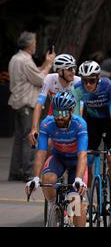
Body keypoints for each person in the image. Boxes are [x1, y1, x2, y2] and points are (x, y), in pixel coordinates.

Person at [25, 92, 88, 227]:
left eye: (64, 113)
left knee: (75, 202)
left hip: (76, 161)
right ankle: (55, 209)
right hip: (58, 157)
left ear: (71, 111)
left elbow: (83, 154)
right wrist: (35, 178)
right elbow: (41, 153)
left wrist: (78, 180)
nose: (59, 117)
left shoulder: (80, 124)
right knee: (47, 179)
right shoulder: (47, 124)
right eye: (56, 113)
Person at [72, 61, 111, 213]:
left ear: (98, 78)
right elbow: (76, 116)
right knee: (85, 158)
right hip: (92, 122)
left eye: (91, 80)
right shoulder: (77, 89)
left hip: (109, 122)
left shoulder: (108, 86)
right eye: (84, 80)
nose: (87, 84)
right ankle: (87, 197)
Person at [8, 31, 55, 181]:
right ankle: (28, 172)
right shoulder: (25, 60)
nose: (36, 45)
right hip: (27, 103)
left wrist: (45, 64)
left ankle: (15, 171)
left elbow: (34, 73)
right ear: (29, 45)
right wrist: (49, 64)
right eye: (34, 42)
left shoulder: (16, 58)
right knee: (30, 137)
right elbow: (41, 79)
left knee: (19, 139)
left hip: (18, 102)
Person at [29, 54, 80, 147]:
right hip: (54, 115)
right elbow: (39, 104)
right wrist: (34, 129)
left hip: (72, 116)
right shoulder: (49, 79)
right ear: (59, 71)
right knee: (46, 146)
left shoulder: (77, 82)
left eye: (74, 68)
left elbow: (79, 109)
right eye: (69, 69)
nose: (73, 72)